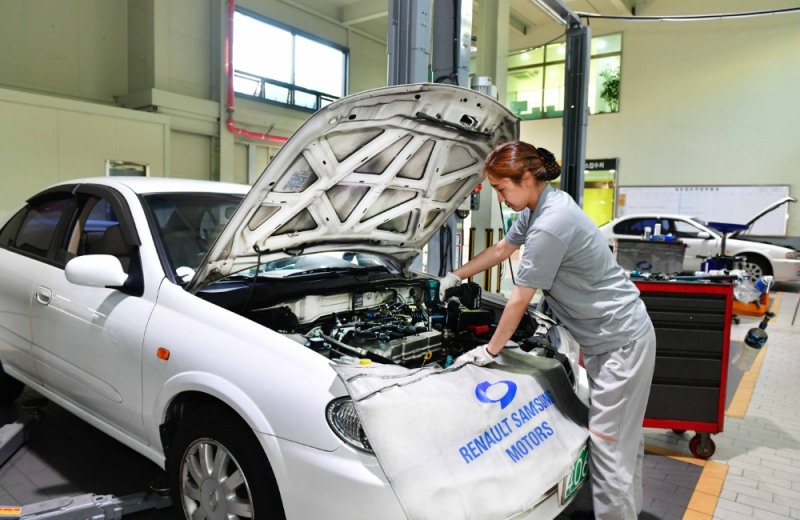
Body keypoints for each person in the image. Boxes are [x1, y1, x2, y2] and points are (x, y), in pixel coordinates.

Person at [440, 140, 656, 520]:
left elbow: (519, 299)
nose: (500, 198)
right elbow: (501, 250)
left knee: (609, 450)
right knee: (620, 445)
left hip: (620, 343)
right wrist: (454, 276)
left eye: (501, 189)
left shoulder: (550, 225)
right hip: (609, 339)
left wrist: (490, 350)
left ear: (526, 177)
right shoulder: (541, 206)